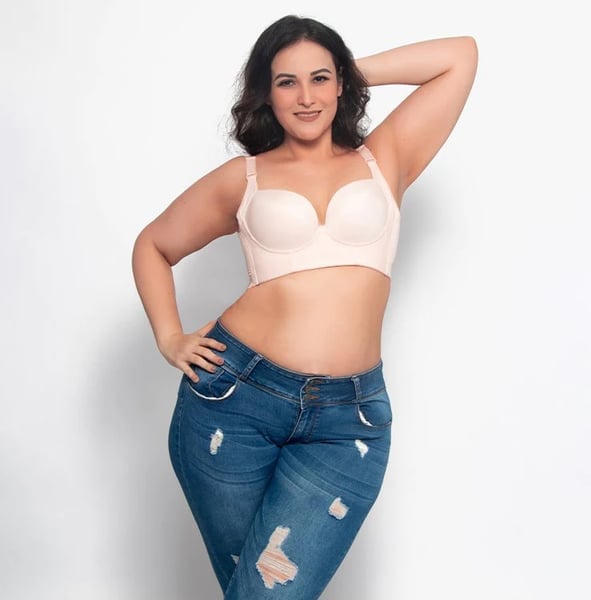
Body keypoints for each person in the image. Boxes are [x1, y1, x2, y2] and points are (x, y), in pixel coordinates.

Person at [132, 14, 477, 599]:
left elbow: (459, 56)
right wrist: (170, 337)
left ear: (340, 83)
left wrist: (346, 70)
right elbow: (154, 246)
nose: (306, 97)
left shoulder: (385, 158)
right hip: (234, 402)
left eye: (319, 79)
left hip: (349, 421)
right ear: (266, 94)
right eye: (286, 82)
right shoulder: (243, 177)